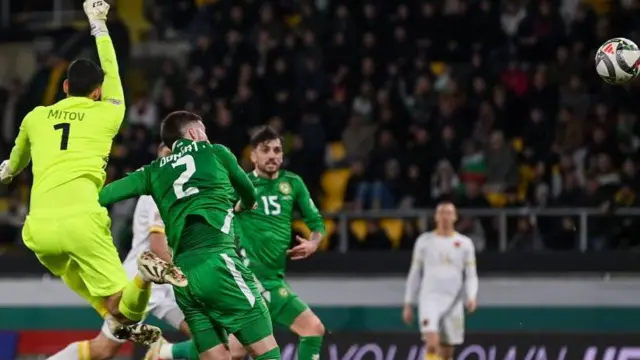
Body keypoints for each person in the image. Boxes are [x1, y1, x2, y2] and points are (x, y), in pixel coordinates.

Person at [0, 0, 185, 353]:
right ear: (97, 92)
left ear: (66, 87)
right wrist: (97, 23)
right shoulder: (108, 115)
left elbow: (15, 163)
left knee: (90, 289)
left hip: (38, 230)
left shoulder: (35, 117)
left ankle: (113, 317)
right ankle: (144, 280)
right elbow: (113, 71)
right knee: (130, 305)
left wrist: (7, 171)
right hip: (82, 222)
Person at [98, 111, 281, 360]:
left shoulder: (152, 171)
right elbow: (249, 193)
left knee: (216, 355)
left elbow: (103, 195)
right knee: (267, 350)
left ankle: (164, 353)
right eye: (203, 130)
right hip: (218, 263)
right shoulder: (216, 152)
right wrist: (244, 204)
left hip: (183, 279)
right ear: (195, 133)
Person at [153, 126, 326, 360]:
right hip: (250, 276)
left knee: (233, 350)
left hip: (274, 276)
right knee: (312, 328)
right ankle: (166, 352)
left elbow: (316, 222)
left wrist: (314, 243)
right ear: (253, 156)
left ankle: (165, 352)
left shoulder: (292, 184)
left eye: (277, 150)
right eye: (265, 150)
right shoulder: (239, 184)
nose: (272, 155)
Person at [48, 145, 194, 360]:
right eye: (167, 154)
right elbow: (158, 246)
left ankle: (161, 353)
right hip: (143, 281)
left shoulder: (184, 192)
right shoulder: (160, 189)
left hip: (167, 286)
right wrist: (190, 279)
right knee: (103, 350)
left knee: (210, 340)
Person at [402, 202, 479, 360]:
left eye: (449, 213)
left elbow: (471, 274)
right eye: (442, 213)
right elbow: (415, 273)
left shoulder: (465, 244)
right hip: (429, 298)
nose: (445, 216)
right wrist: (408, 303)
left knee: (446, 352)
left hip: (453, 301)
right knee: (432, 343)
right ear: (436, 217)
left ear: (455, 217)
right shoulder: (424, 241)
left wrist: (471, 296)